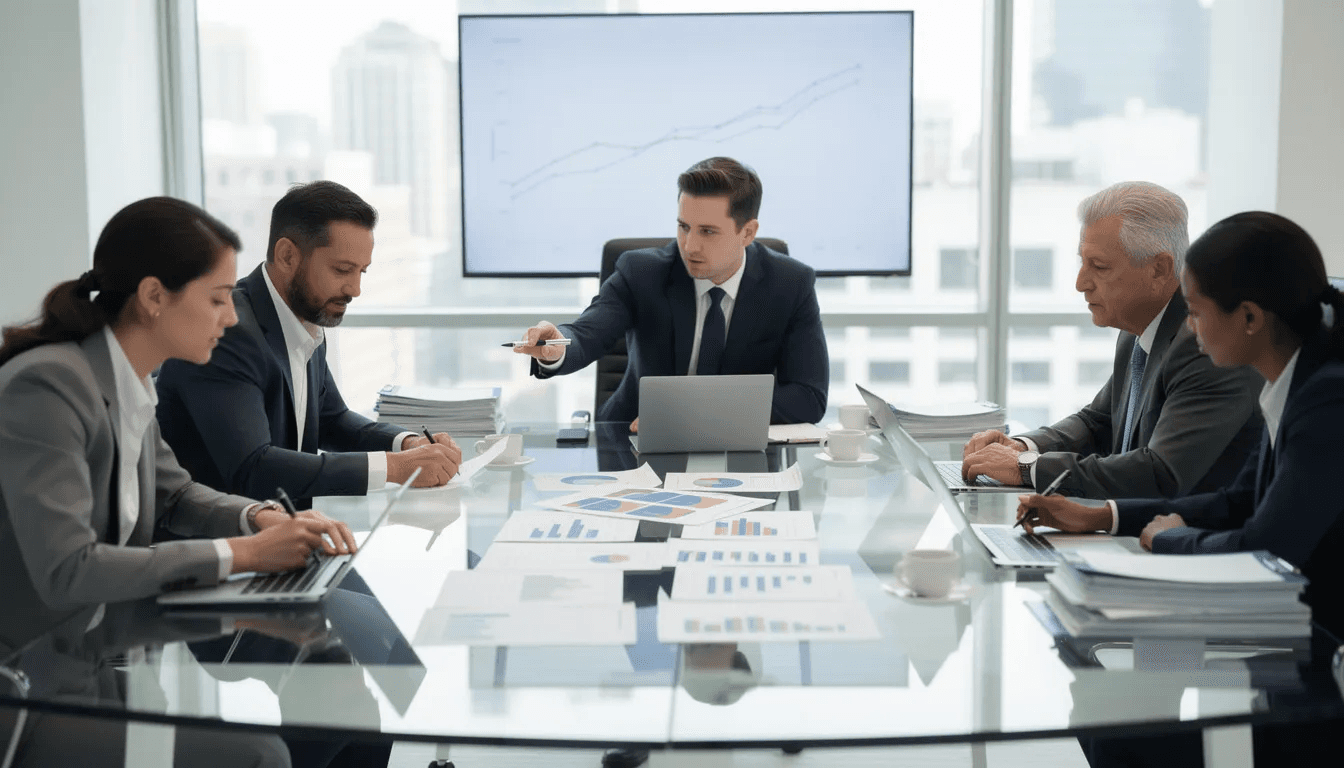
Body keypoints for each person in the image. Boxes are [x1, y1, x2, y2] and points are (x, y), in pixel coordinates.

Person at [1020, 211, 1344, 768]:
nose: (1188, 330)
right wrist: (1101, 517)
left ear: (1248, 318)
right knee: (1109, 679)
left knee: (1125, 717)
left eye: (1194, 313)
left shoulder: (1327, 400)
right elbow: (1236, 502)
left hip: (1313, 653)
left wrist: (1171, 541)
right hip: (1278, 633)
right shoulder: (1294, 380)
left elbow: (1268, 548)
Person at [0, 197, 354, 661]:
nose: (230, 317)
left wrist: (261, 518)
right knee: (280, 720)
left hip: (111, 650)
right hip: (31, 675)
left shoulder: (130, 379)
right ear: (153, 298)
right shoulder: (49, 385)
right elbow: (70, 568)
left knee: (339, 647)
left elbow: (176, 494)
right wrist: (245, 553)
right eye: (216, 298)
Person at [155, 181, 460, 509]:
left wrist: (407, 444)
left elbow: (333, 419)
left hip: (283, 538)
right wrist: (395, 468)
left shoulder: (305, 319)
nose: (355, 289)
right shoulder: (229, 333)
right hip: (223, 547)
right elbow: (252, 468)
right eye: (342, 270)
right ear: (287, 256)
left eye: (362, 272)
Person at [962, 181, 1262, 499]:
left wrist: (1028, 467)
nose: (1080, 283)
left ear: (1159, 269)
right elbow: (1098, 423)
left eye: (1099, 267)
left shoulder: (1205, 343)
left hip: (1188, 537)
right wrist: (1023, 446)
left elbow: (1159, 473)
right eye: (1082, 261)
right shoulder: (1138, 329)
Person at [514, 156, 829, 427]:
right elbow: (589, 333)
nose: (690, 246)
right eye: (684, 227)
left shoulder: (789, 284)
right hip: (635, 443)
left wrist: (694, 414)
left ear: (747, 232)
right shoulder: (641, 272)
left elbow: (809, 397)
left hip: (740, 450)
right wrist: (559, 347)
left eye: (707, 231)